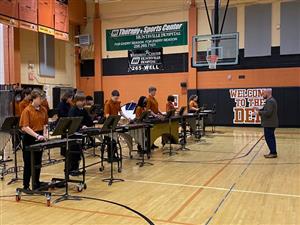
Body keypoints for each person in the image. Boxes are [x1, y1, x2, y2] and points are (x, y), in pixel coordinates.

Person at [19, 89, 48, 191]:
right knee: (28, 163)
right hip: (29, 137)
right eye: (41, 98)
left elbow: (45, 124)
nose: (42, 100)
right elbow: (25, 127)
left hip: (39, 136)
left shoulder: (43, 109)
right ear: (34, 98)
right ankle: (26, 185)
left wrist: (44, 134)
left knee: (37, 162)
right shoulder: (27, 110)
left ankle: (36, 182)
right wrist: (36, 136)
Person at [67, 93, 94, 175]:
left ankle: (76, 169)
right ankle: (71, 170)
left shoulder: (83, 110)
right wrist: (82, 125)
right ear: (76, 101)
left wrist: (91, 121)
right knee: (73, 153)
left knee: (78, 153)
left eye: (84, 100)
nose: (83, 102)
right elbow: (73, 122)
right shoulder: (73, 110)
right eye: (81, 101)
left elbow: (89, 121)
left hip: (80, 134)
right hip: (73, 134)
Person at [254, 88, 279, 158]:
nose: (262, 95)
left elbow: (268, 113)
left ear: (268, 93)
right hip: (270, 123)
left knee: (269, 138)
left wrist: (258, 112)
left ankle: (273, 153)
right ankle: (273, 152)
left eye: (263, 93)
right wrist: (259, 110)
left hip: (269, 123)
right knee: (271, 138)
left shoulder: (270, 101)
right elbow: (267, 110)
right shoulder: (270, 100)